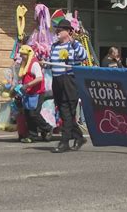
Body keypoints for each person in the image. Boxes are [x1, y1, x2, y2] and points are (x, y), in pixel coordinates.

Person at [48, 19, 88, 153]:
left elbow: (84, 57)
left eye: (60, 30)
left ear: (69, 32)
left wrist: (73, 43)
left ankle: (64, 142)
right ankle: (79, 137)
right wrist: (45, 64)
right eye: (57, 29)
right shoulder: (54, 46)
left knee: (67, 110)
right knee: (65, 112)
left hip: (70, 80)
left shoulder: (75, 44)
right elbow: (50, 63)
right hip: (57, 80)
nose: (57, 32)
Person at [17, 45, 53, 143]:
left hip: (37, 92)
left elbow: (39, 78)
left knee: (34, 114)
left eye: (23, 55)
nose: (21, 56)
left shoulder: (34, 64)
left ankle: (47, 128)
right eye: (21, 54)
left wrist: (27, 85)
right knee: (28, 114)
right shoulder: (24, 64)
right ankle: (32, 136)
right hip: (28, 93)